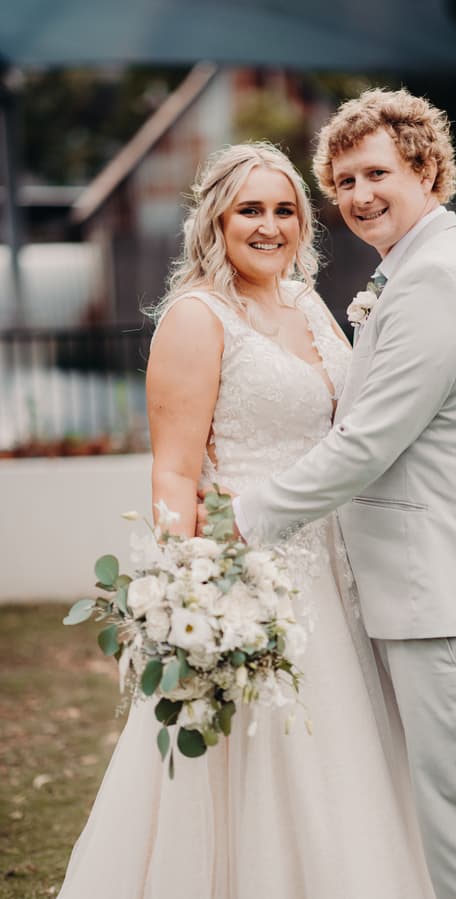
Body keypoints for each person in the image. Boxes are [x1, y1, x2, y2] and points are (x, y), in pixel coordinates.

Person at [56, 142, 434, 899]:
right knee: (256, 759)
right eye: (250, 210)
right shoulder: (196, 318)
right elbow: (174, 469)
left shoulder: (306, 302)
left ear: (304, 222)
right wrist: (191, 591)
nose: (270, 226)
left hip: (335, 568)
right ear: (216, 221)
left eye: (285, 209)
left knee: (346, 756)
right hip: (248, 573)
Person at [218, 90, 456, 899]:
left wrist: (244, 519)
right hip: (450, 587)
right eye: (342, 181)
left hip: (448, 591)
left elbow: (367, 445)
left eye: (376, 171)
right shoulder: (416, 270)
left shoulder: (435, 279)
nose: (359, 194)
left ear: (427, 169)